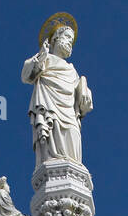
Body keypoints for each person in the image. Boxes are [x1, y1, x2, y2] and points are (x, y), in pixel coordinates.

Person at [21, 20, 92, 168]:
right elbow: (26, 76)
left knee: (73, 140)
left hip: (69, 113)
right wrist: (40, 59)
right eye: (66, 38)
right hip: (49, 107)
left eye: (71, 41)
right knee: (50, 144)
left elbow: (81, 102)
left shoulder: (72, 70)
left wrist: (84, 86)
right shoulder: (45, 57)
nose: (69, 44)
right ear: (55, 39)